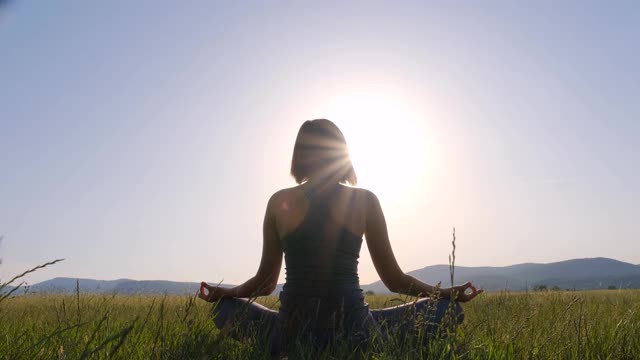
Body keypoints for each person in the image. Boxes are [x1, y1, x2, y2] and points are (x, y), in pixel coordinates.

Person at [198, 119, 482, 356]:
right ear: (343, 154)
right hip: (358, 333)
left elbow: (265, 284)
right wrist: (446, 294)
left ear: (299, 156)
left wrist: (225, 293)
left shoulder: (278, 202)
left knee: (224, 311)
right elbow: (394, 280)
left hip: (290, 335)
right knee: (447, 310)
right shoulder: (365, 201)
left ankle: (287, 344)